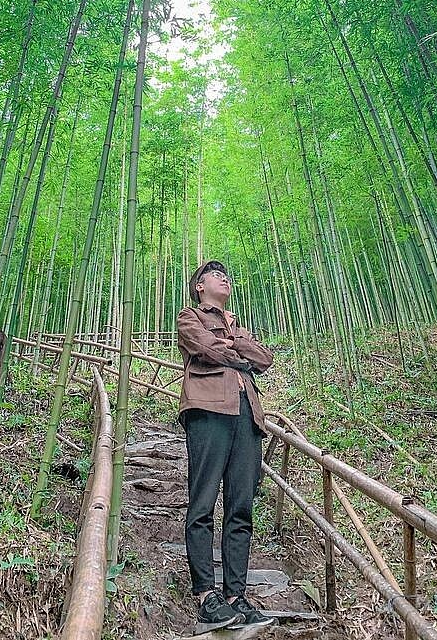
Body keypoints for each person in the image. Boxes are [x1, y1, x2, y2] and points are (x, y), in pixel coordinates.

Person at [177, 260, 275, 634]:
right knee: (202, 504)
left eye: (226, 275)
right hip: (208, 411)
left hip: (247, 415)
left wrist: (232, 342)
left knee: (241, 508)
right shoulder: (191, 316)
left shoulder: (238, 325)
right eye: (214, 275)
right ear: (200, 287)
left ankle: (235, 596)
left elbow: (264, 359)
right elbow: (204, 349)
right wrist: (236, 351)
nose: (224, 277)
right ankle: (206, 596)